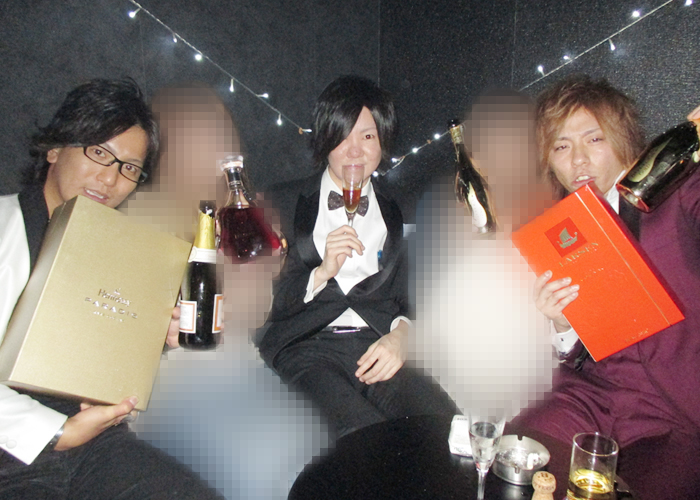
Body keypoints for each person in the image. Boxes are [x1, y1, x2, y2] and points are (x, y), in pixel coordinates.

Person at [0, 78, 221, 499]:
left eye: (129, 168)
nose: (109, 178)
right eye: (99, 153)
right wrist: (56, 431)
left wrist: (156, 338)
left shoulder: (118, 250)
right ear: (55, 148)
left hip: (93, 441)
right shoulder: (4, 224)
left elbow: (102, 357)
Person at [127, 83, 329, 499]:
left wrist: (263, 270)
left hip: (241, 369)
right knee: (263, 474)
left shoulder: (241, 211)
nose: (215, 146)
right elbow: (125, 323)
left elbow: (254, 315)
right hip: (170, 389)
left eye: (220, 133)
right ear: (168, 145)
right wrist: (159, 324)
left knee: (317, 450)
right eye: (199, 136)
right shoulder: (140, 211)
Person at [515, 74, 700, 499]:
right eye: (561, 147)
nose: (578, 160)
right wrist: (562, 323)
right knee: (520, 464)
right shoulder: (562, 227)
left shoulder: (679, 191)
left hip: (676, 410)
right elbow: (579, 348)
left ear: (624, 139)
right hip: (591, 395)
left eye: (594, 139)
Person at [256, 75, 458, 438]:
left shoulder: (404, 206)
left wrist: (402, 335)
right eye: (343, 136)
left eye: (367, 137)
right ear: (324, 139)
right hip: (308, 347)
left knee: (447, 429)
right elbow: (264, 303)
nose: (354, 151)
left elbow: (416, 292)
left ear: (383, 142)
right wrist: (320, 273)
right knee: (364, 438)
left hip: (377, 343)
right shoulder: (280, 202)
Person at [410, 90, 555, 420]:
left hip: (520, 348)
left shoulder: (547, 206)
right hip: (456, 352)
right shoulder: (462, 199)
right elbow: (435, 304)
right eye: (484, 143)